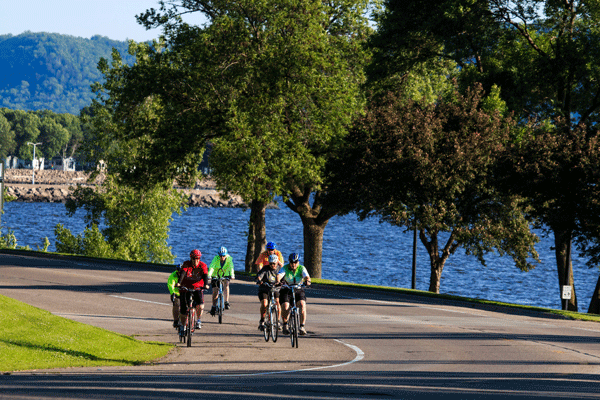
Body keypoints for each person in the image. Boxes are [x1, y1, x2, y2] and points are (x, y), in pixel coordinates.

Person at [176, 249, 210, 334]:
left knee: (200, 305)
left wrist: (206, 284)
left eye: (198, 258)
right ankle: (183, 326)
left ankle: (198, 320)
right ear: (191, 258)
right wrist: (179, 283)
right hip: (186, 287)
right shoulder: (186, 264)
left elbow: (205, 275)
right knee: (183, 309)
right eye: (194, 258)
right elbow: (183, 273)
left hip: (197, 287)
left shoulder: (203, 265)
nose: (196, 260)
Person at [278, 253, 311, 335]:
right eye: (291, 262)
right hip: (286, 289)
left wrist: (307, 281)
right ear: (289, 262)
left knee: (302, 304)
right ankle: (285, 325)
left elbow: (307, 276)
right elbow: (279, 275)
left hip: (298, 289)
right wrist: (278, 281)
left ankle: (302, 326)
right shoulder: (285, 268)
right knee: (285, 306)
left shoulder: (302, 268)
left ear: (298, 262)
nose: (293, 264)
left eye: (295, 262)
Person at [255, 253, 282, 331]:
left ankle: (277, 322)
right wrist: (259, 280)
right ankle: (262, 321)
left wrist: (283, 282)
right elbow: (260, 275)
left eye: (274, 264)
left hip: (275, 289)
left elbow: (284, 276)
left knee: (277, 303)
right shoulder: (265, 268)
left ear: (277, 263)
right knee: (264, 304)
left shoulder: (280, 269)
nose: (273, 265)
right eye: (271, 263)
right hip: (265, 289)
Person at [208, 246, 235, 316]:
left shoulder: (229, 259)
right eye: (220, 256)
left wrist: (232, 275)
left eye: (223, 256)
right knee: (215, 291)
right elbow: (211, 267)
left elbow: (231, 267)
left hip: (225, 275)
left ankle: (226, 302)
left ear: (226, 255)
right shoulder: (215, 259)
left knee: (226, 285)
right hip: (215, 275)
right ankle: (214, 306)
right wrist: (209, 275)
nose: (222, 258)